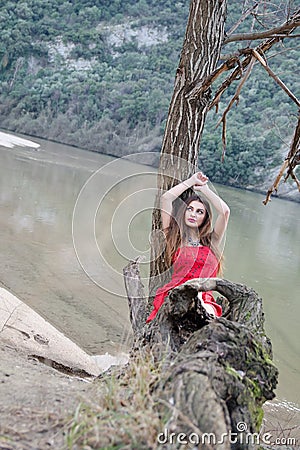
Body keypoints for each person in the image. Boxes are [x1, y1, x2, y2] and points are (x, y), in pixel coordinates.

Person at [146, 171, 230, 322]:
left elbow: (225, 212)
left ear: (205, 218)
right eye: (189, 209)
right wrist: (191, 181)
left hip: (204, 298)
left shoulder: (211, 241)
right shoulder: (174, 237)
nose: (193, 214)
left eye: (199, 212)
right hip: (178, 294)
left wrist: (205, 189)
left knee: (209, 320)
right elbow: (166, 198)